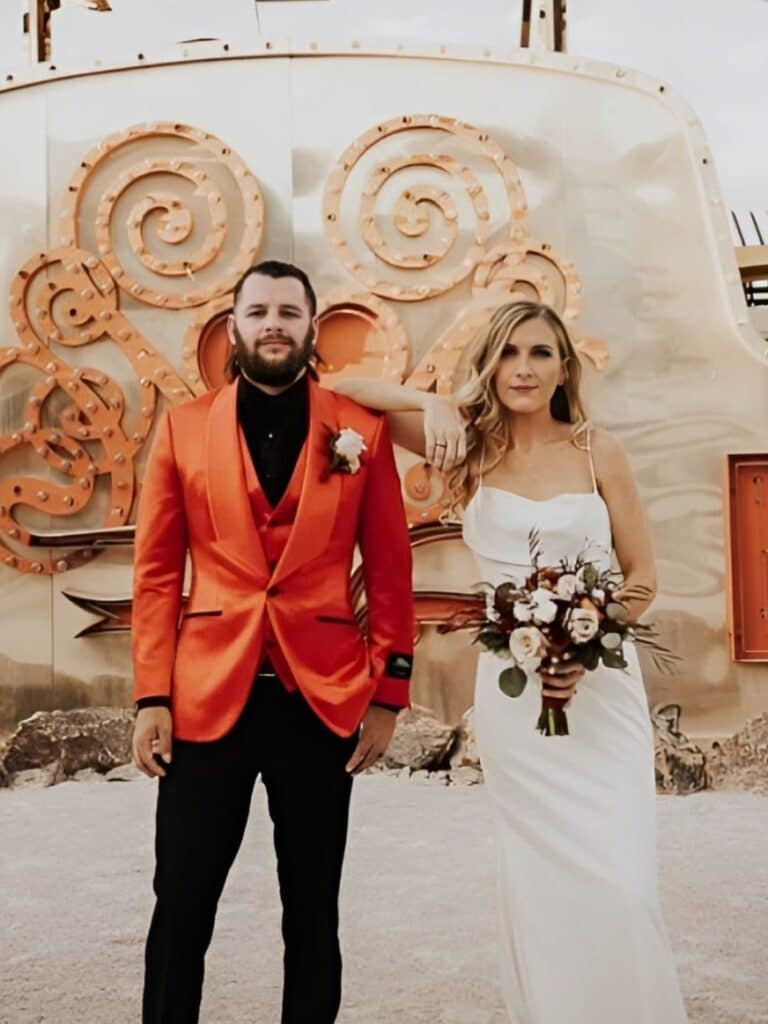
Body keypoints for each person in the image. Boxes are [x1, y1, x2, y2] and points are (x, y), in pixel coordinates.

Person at [333, 299, 689, 1023]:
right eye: (508, 353)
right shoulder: (466, 447)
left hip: (602, 692)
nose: (523, 369)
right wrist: (431, 398)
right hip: (516, 699)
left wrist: (584, 640)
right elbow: (338, 387)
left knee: (623, 880)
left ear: (564, 368)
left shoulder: (598, 451)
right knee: (541, 880)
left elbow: (642, 575)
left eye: (539, 353)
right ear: (489, 365)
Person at [131, 259, 415, 1024]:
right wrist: (150, 695)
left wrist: (389, 694)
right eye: (259, 312)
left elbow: (390, 571)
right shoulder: (182, 429)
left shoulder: (360, 431)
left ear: (312, 328)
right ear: (235, 326)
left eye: (290, 312)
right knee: (182, 907)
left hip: (319, 704)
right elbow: (158, 574)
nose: (274, 325)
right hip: (202, 702)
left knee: (313, 912)